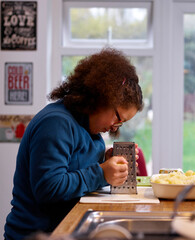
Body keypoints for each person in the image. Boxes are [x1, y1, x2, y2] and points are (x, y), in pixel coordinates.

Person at [4, 48, 143, 240]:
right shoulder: (55, 123)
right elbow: (49, 188)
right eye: (117, 117)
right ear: (103, 96)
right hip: (36, 235)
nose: (114, 127)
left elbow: (74, 168)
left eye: (121, 124)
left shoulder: (88, 127)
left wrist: (105, 163)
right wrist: (101, 172)